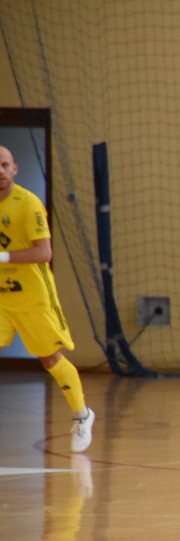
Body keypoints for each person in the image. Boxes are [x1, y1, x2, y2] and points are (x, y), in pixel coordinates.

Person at [0, 145, 95, 453]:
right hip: (2, 298)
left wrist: (3, 257)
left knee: (49, 359)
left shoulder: (28, 204)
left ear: (15, 169)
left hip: (32, 298)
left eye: (4, 165)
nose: (0, 172)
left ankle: (82, 415)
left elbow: (44, 252)